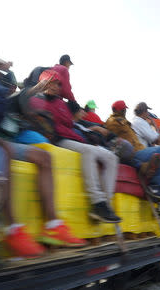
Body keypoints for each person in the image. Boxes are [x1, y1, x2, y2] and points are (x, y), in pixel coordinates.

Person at [0, 52, 87, 253]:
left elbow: (20, 100)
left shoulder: (8, 94)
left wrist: (36, 91)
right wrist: (35, 90)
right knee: (5, 149)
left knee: (44, 156)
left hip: (8, 138)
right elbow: (18, 98)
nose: (1, 76)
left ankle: (52, 226)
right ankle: (12, 229)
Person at [30, 70, 121, 223]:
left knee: (112, 157)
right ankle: (97, 202)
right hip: (58, 139)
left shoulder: (61, 103)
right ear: (43, 82)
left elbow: (74, 124)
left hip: (75, 138)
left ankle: (106, 203)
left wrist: (93, 132)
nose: (55, 86)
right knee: (89, 151)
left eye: (58, 84)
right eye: (51, 82)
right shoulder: (35, 100)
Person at [106, 101, 160, 221]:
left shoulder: (127, 123)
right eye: (123, 109)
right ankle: (156, 187)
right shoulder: (114, 122)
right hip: (133, 153)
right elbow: (112, 138)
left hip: (140, 150)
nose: (124, 111)